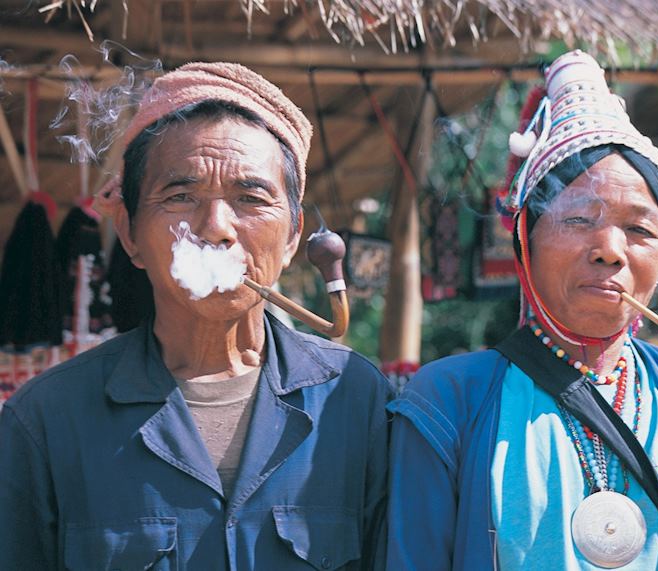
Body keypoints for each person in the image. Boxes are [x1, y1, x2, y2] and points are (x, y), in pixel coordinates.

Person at [386, 51, 658, 570]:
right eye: (578, 220)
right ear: (525, 238)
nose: (611, 250)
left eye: (639, 229)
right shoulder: (447, 402)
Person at [0, 62, 391, 569]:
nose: (216, 229)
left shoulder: (357, 402)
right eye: (181, 196)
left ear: (293, 236)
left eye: (251, 198)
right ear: (130, 233)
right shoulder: (47, 419)